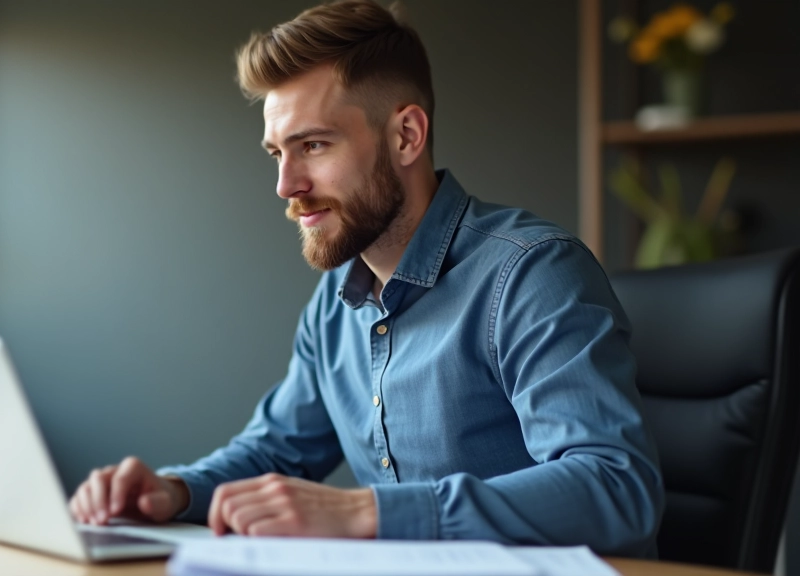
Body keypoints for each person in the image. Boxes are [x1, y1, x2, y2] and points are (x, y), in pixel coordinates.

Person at [68, 0, 664, 556]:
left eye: (314, 145)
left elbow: (615, 485)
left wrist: (365, 513)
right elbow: (277, 449)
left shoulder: (531, 272)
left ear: (406, 135)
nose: (287, 185)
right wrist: (172, 492)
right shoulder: (336, 300)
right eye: (278, 153)